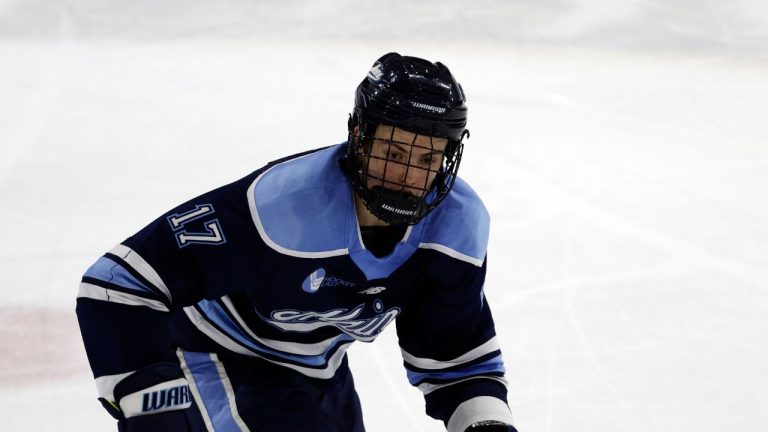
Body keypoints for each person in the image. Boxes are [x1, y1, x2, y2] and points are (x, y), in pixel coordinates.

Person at [76, 52, 518, 432]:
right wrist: (153, 402)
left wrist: (486, 422)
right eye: (394, 152)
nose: (408, 177)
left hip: (320, 372)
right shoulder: (282, 207)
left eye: (427, 158)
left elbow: (454, 354)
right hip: (221, 355)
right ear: (360, 140)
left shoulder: (456, 225)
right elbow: (117, 284)